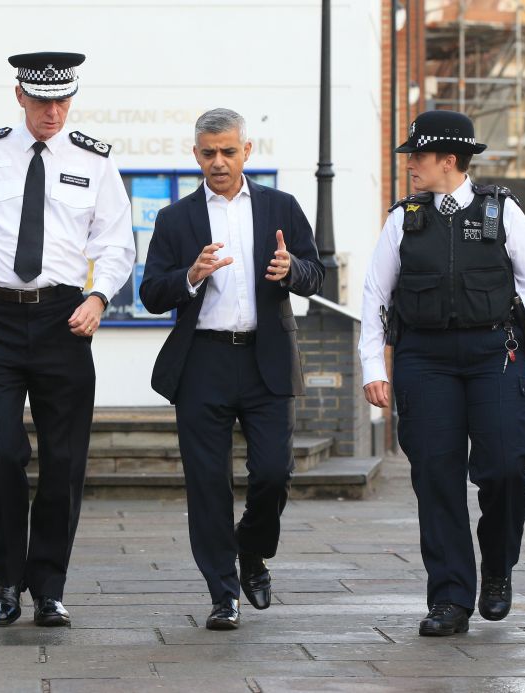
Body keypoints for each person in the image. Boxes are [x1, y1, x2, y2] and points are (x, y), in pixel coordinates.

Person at [0, 52, 134, 627]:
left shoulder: (94, 162)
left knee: (64, 461)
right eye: (43, 100)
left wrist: (99, 298)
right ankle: (6, 579)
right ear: (20, 96)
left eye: (63, 100)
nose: (53, 111)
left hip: (64, 319)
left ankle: (48, 588)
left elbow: (117, 244)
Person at [359, 110, 525, 636]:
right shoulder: (403, 218)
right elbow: (376, 295)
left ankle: (496, 568)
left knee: (504, 466)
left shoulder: (503, 212)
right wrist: (371, 365)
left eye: (418, 157)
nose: (410, 166)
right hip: (423, 359)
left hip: (495, 353)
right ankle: (450, 598)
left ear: (447, 160)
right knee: (436, 477)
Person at [139, 108, 324, 630]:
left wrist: (293, 271)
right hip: (203, 362)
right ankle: (223, 592)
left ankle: (253, 551)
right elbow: (150, 293)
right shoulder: (175, 219)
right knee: (206, 483)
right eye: (208, 153)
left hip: (266, 359)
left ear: (248, 151)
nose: (218, 162)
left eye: (228, 151)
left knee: (273, 473)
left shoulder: (279, 207)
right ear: (195, 155)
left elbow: (317, 274)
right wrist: (190, 276)